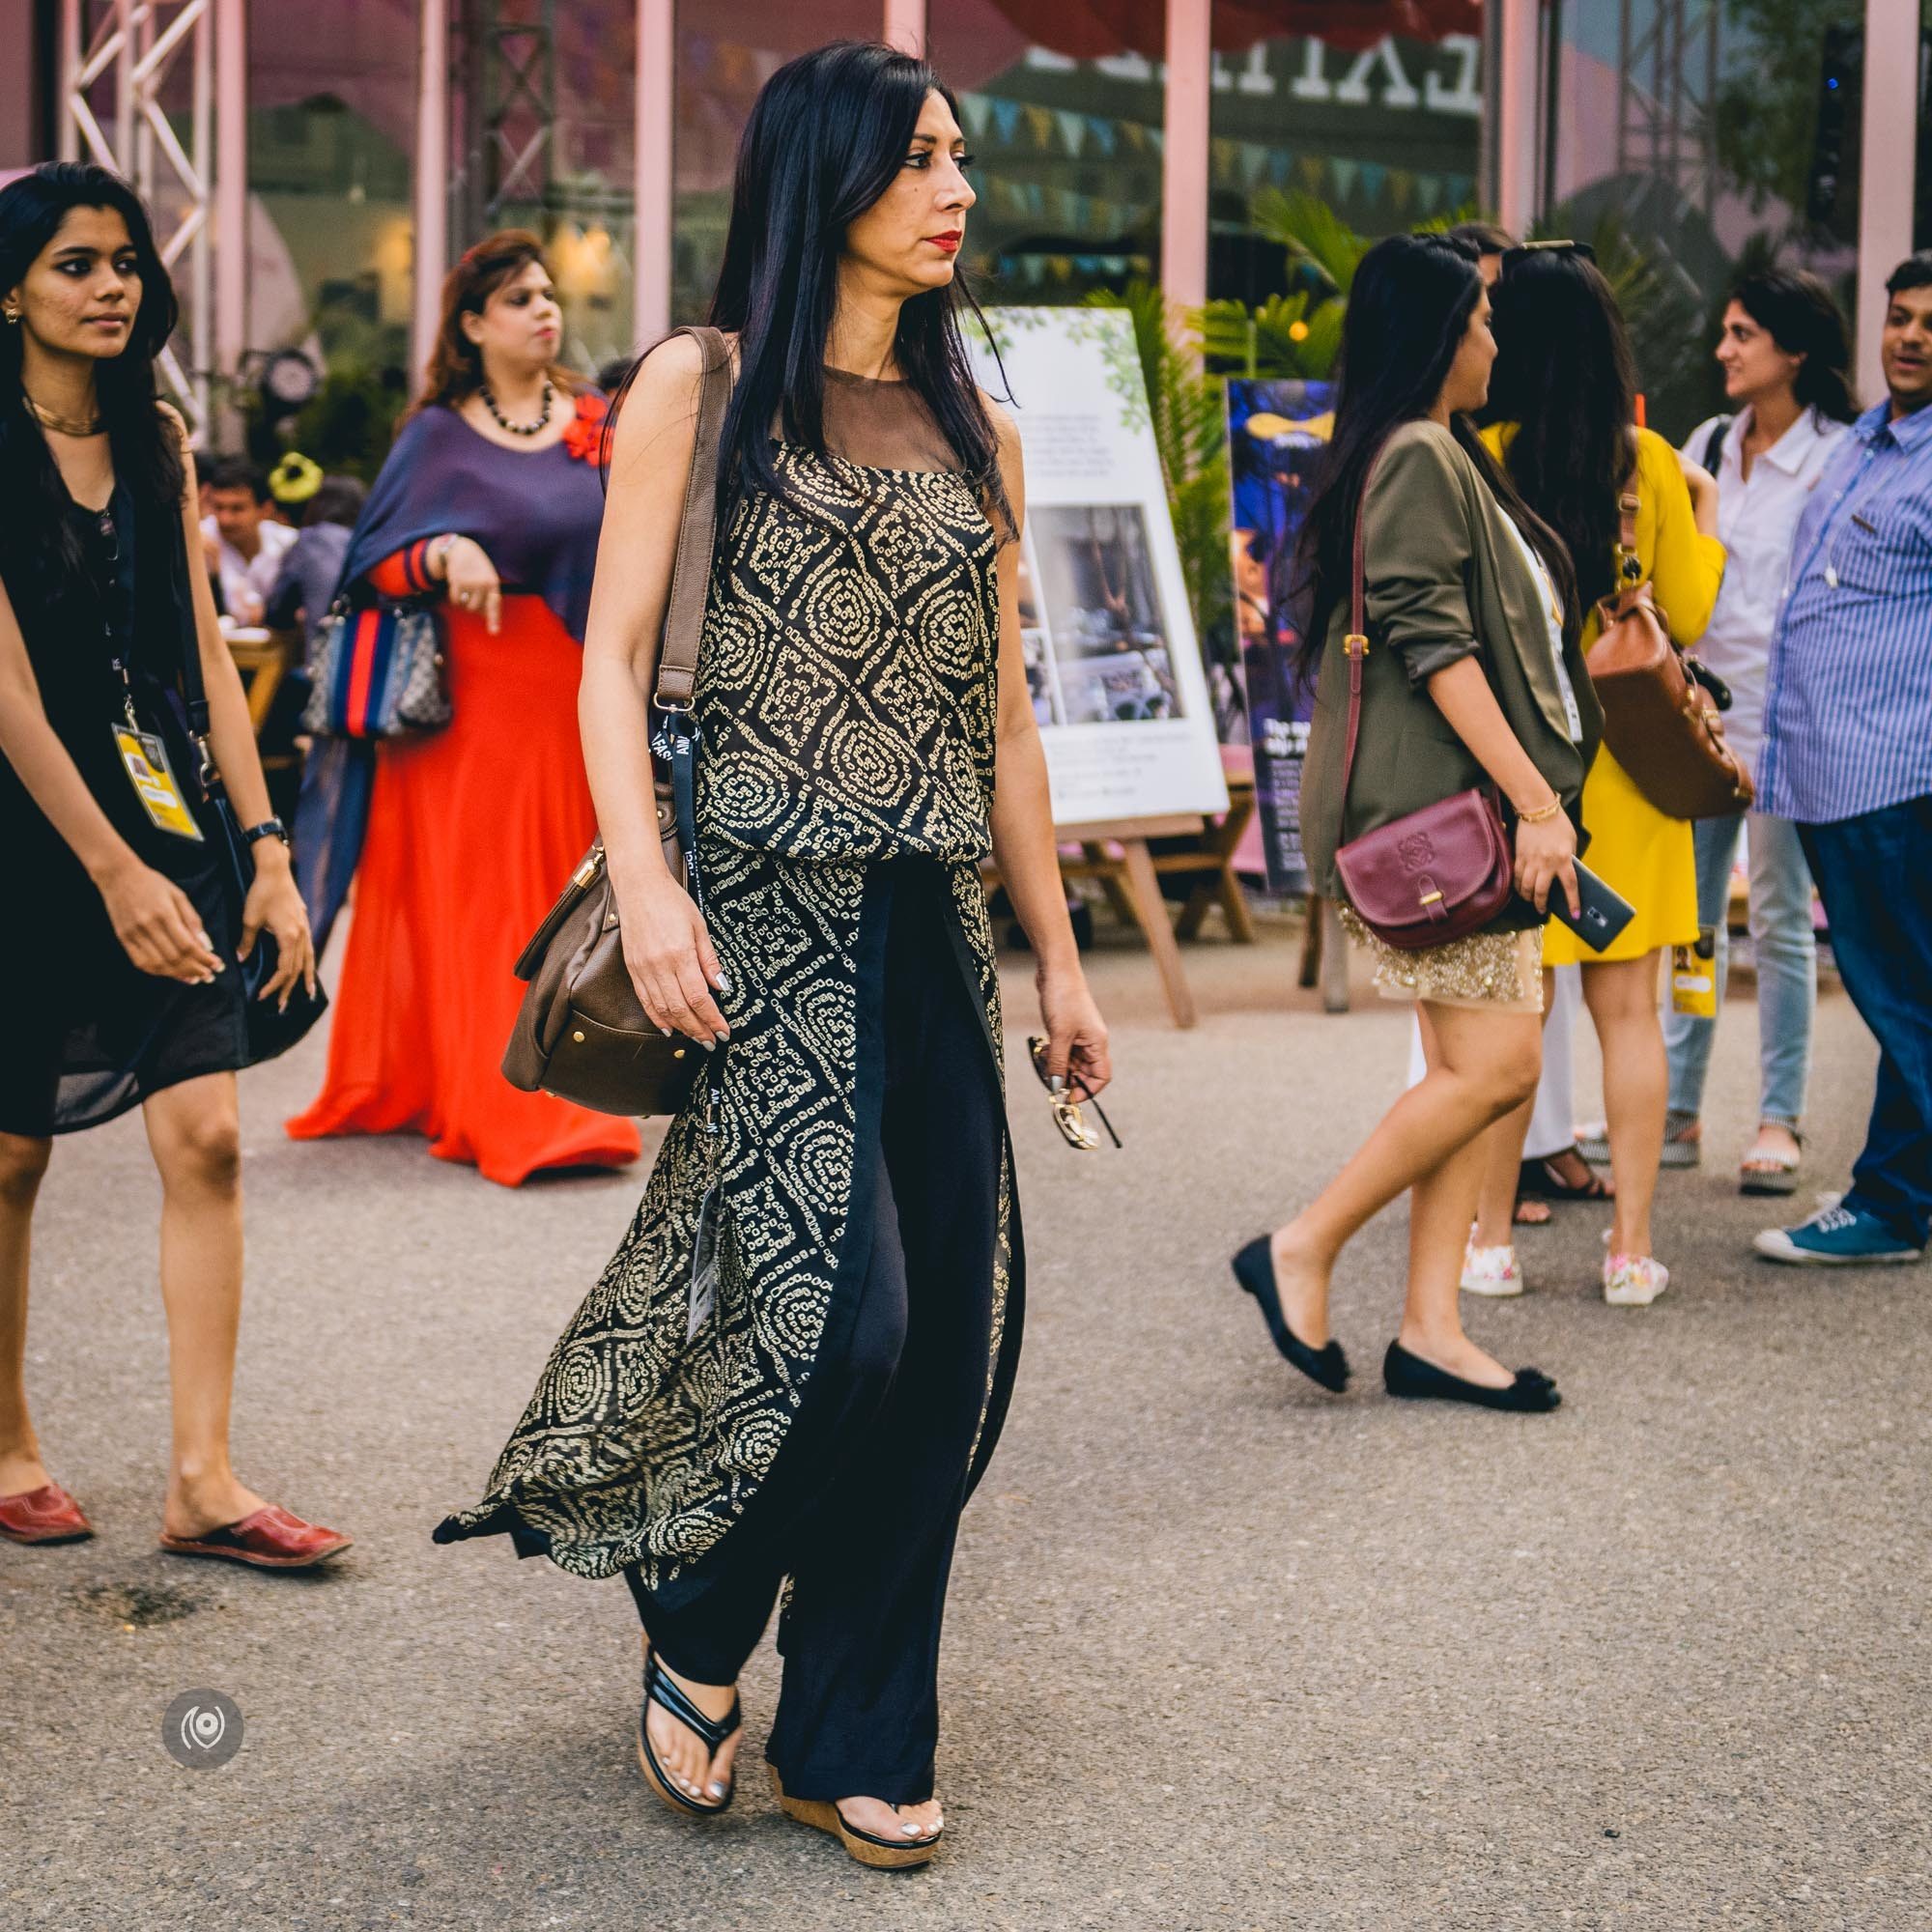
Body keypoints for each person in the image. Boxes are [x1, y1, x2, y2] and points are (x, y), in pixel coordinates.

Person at [432, 43, 1111, 1867]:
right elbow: (609, 655)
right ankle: (702, 1619)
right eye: (918, 160)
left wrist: (1060, 957)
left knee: (940, 1341)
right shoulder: (701, 384)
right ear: (829, 179)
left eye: (964, 155)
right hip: (759, 915)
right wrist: (648, 888)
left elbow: (1008, 729)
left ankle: (860, 1725)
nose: (956, 187)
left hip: (934, 924)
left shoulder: (986, 429)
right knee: (846, 1324)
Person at [0, 161, 344, 1566]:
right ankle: (8, 1440)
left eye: (127, 261)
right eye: (76, 263)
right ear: (11, 287)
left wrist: (263, 850)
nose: (110, 285)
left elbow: (203, 651)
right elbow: (6, 683)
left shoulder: (154, 436)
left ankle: (203, 1481)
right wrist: (107, 872)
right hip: (30, 836)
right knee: (11, 1154)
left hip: (170, 827)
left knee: (204, 1139)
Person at [1233, 234, 1599, 1413]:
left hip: (1468, 813)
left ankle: (1430, 1328)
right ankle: (1302, 1242)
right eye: (1480, 322)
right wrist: (1538, 802)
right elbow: (1433, 647)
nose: (1496, 340)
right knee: (1496, 1060)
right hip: (1453, 820)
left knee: (1469, 1065)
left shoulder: (1440, 454)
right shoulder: (1419, 459)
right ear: (1439, 338)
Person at [285, 231, 642, 1186]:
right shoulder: (437, 432)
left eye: (546, 293)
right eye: (519, 298)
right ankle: (517, 1111)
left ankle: (555, 1083)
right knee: (483, 900)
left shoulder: (600, 419)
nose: (543, 310)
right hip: (465, 711)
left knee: (567, 892)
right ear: (473, 324)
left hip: (574, 692)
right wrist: (442, 551)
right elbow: (370, 565)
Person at [1470, 242, 1725, 1308]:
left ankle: (1488, 1242)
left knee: (1503, 1020)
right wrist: (1703, 516)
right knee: (1628, 1016)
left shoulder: (1476, 453)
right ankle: (1625, 1248)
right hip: (1629, 770)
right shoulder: (1647, 461)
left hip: (1518, 771)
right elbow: (1690, 618)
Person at [1754, 255, 1932, 1267]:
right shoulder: (1869, 438)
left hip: (1890, 769)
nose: (1908, 337)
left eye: (1927, 325)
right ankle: (1898, 1192)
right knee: (1903, 987)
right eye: (1898, 317)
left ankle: (1890, 1205)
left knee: (1900, 991)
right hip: (1829, 763)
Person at [1662, 271, 1856, 1194]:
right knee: (1690, 921)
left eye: (1743, 335)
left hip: (1790, 724)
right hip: (1699, 715)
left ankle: (1781, 1119)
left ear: (1796, 351)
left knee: (1778, 918)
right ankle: (1677, 1107)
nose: (1723, 350)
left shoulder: (1837, 456)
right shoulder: (1703, 443)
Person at [264, 472, 365, 662]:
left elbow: (277, 614)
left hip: (327, 667)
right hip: (373, 663)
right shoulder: (370, 542)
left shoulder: (310, 541)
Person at [199, 456, 294, 625]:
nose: (224, 519)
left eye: (237, 509)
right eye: (218, 507)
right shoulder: (201, 540)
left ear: (265, 510)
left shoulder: (289, 544)